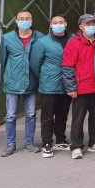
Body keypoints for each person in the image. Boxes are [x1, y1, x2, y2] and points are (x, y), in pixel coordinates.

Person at [0, 10, 44, 156]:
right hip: (13, 82)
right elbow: (3, 60)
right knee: (11, 115)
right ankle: (10, 144)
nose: (24, 21)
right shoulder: (7, 38)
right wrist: (9, 75)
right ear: (16, 20)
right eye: (21, 18)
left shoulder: (39, 37)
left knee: (30, 114)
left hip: (31, 81)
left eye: (27, 18)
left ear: (32, 20)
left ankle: (29, 143)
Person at [30, 14, 73, 158]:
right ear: (50, 25)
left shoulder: (73, 39)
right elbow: (35, 64)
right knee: (47, 116)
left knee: (62, 114)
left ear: (66, 24)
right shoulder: (42, 42)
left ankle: (60, 139)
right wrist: (45, 77)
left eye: (61, 22)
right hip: (49, 85)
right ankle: (47, 143)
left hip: (67, 83)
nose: (58, 24)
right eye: (55, 22)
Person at [62, 14, 95, 159]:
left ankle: (94, 142)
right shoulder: (73, 43)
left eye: (93, 24)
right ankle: (76, 146)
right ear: (81, 26)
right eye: (88, 24)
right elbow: (67, 67)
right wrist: (71, 88)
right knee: (78, 119)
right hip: (80, 88)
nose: (91, 26)